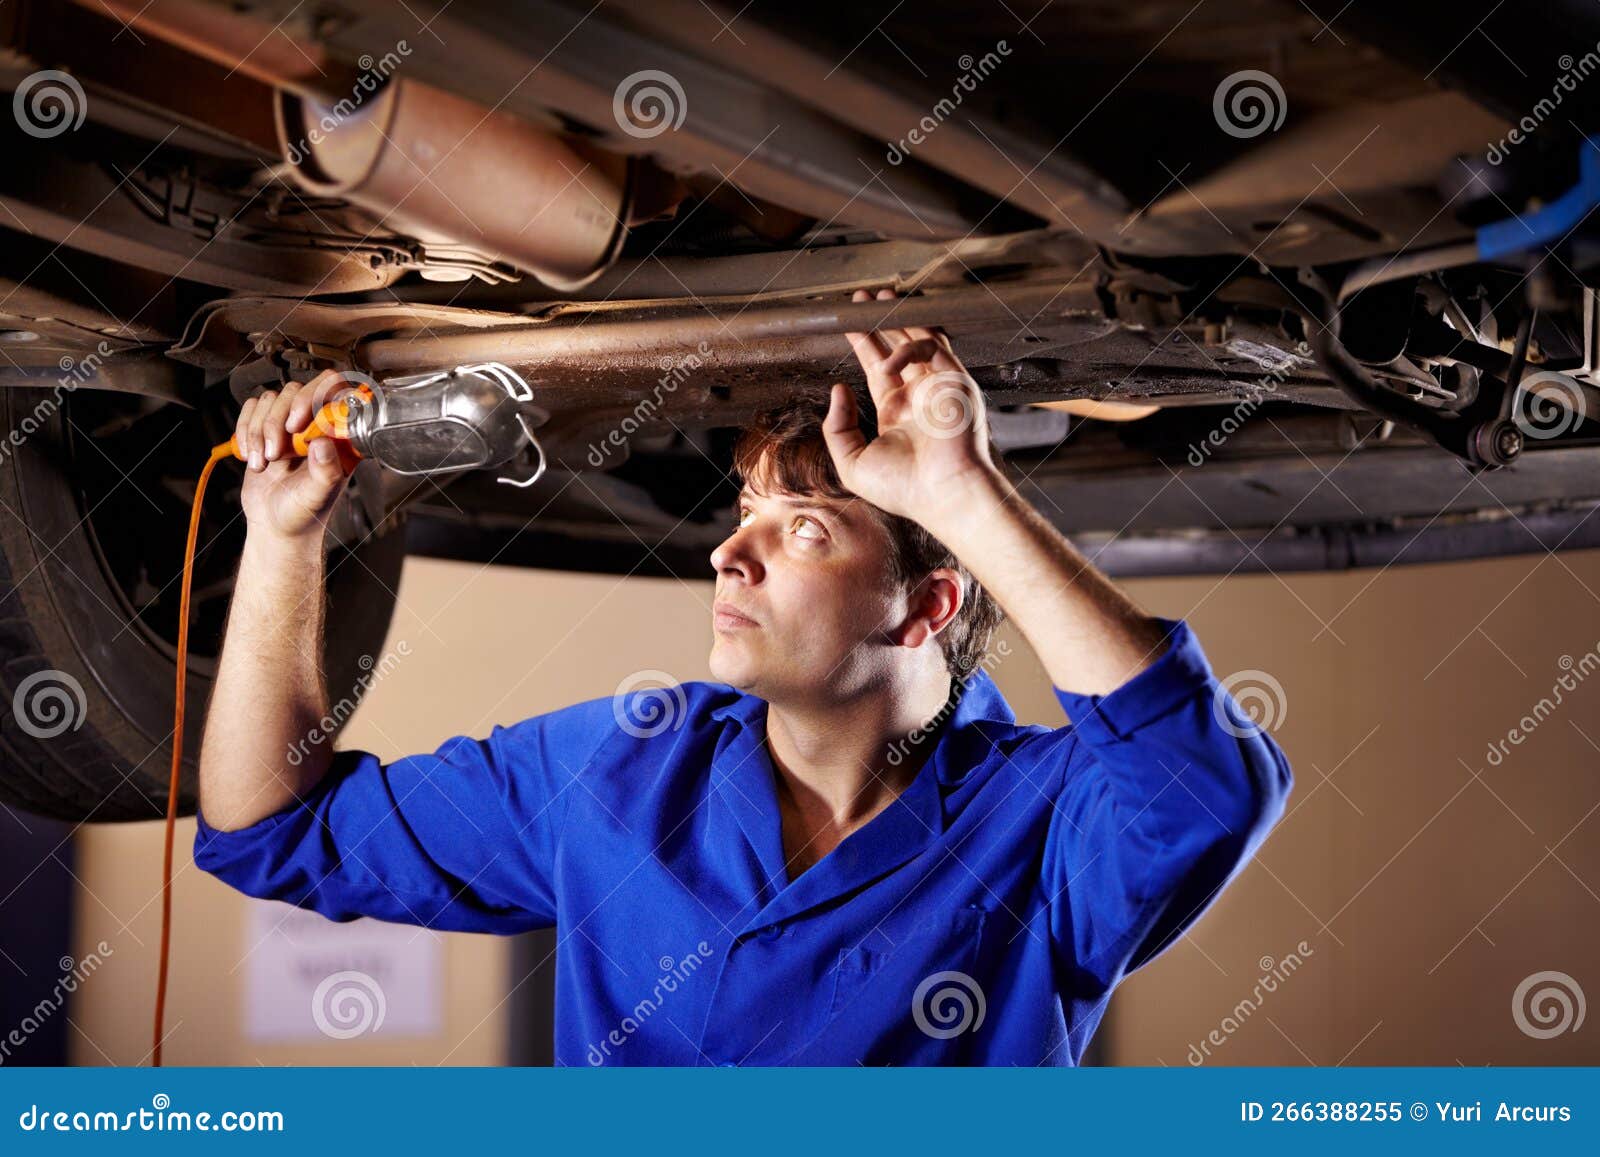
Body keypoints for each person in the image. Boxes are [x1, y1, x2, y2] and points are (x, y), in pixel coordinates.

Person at [195, 289, 1293, 1065]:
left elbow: (1206, 787)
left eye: (803, 530)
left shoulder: (1040, 825)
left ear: (927, 605)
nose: (729, 555)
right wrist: (284, 537)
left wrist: (964, 499)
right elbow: (265, 828)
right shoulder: (616, 769)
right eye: (741, 517)